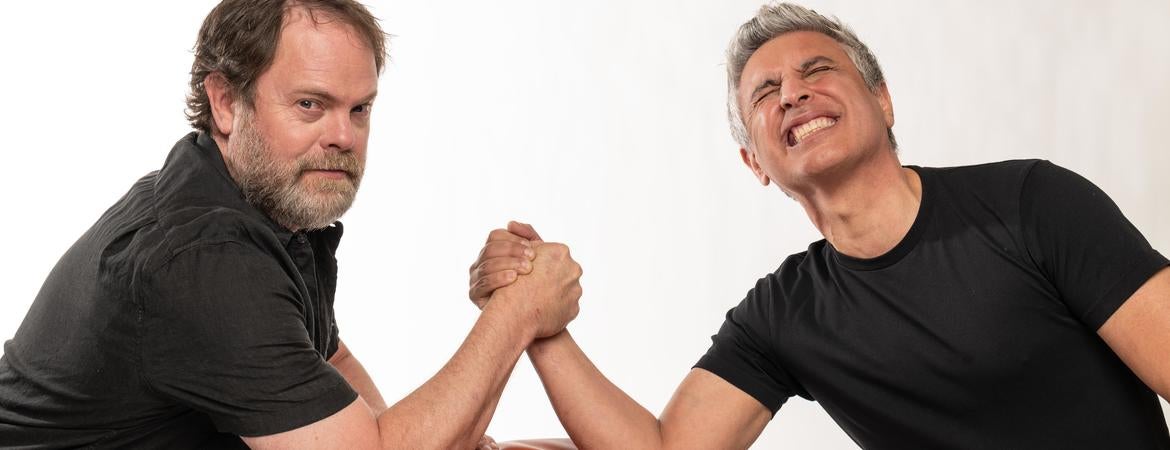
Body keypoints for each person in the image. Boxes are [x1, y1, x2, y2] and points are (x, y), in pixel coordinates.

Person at [469, 2, 1170, 448]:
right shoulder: (784, 315)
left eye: (817, 70)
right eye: (766, 93)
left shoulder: (1029, 203)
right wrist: (534, 318)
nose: (793, 93)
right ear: (755, 162)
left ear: (883, 101)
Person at [0, 1, 582, 448]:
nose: (344, 136)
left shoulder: (256, 200)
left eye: (360, 108)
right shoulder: (205, 259)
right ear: (226, 102)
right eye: (310, 104)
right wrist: (518, 311)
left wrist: (433, 433)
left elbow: (327, 360)